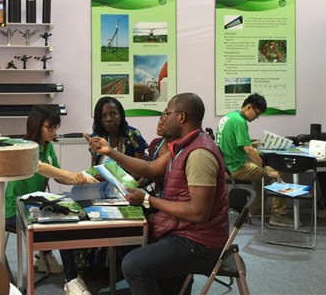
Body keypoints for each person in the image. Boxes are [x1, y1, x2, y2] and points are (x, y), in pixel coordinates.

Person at [86, 93, 229, 295]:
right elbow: (150, 169)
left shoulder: (199, 154)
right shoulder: (183, 146)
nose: (163, 118)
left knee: (133, 265)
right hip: (182, 229)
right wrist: (109, 152)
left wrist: (147, 199)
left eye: (166, 113)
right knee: (124, 236)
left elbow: (198, 213)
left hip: (199, 243)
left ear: (180, 117)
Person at [4, 105, 96, 295]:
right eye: (50, 127)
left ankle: (43, 257)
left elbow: (58, 176)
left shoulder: (48, 146)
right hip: (16, 211)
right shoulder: (25, 148)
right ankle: (71, 280)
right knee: (61, 225)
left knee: (67, 213)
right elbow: (40, 167)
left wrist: (78, 179)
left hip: (35, 205)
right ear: (37, 125)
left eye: (56, 127)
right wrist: (74, 175)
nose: (54, 131)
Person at [215, 93, 294, 227]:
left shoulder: (228, 117)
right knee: (277, 172)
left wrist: (251, 144)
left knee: (261, 176)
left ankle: (255, 209)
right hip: (237, 167)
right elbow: (248, 151)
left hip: (225, 165)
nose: (257, 117)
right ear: (249, 107)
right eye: (257, 113)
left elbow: (231, 143)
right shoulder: (240, 122)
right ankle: (278, 215)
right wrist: (265, 168)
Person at [89, 96, 148, 172]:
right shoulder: (96, 136)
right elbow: (94, 169)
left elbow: (141, 171)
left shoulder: (133, 135)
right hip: (101, 178)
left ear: (121, 115)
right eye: (103, 116)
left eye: (112, 114)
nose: (108, 119)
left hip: (127, 179)